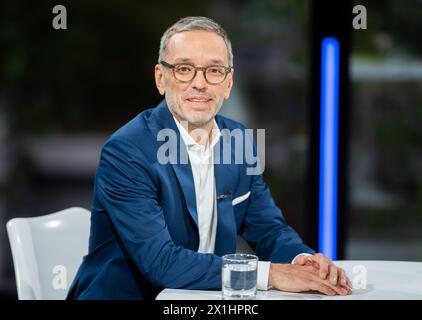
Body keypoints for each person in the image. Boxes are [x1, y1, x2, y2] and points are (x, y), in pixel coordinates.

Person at [67, 16, 352, 300]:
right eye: (184, 69)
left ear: (228, 83)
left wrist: (301, 261)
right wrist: (273, 274)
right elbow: (160, 263)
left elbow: (268, 228)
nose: (199, 83)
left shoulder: (238, 140)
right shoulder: (128, 151)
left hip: (203, 299)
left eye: (214, 70)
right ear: (160, 79)